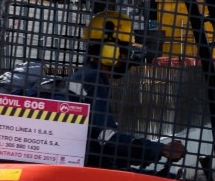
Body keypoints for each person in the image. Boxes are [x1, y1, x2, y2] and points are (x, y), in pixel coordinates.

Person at [68, 11, 185, 170]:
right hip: (92, 174)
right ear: (111, 51)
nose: (128, 58)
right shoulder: (92, 81)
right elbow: (108, 141)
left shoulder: (85, 77)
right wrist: (159, 149)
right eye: (126, 52)